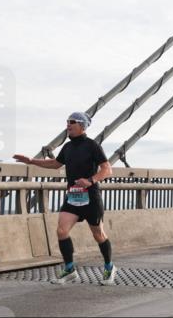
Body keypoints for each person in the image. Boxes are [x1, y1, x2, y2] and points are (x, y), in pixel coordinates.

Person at [14, 112, 116, 286]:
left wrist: (90, 180)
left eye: (72, 122)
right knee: (62, 231)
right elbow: (56, 164)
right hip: (73, 197)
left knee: (98, 234)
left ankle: (109, 267)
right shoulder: (68, 147)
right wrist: (32, 161)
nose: (68, 125)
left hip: (90, 197)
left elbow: (107, 169)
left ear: (82, 126)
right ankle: (70, 270)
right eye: (67, 121)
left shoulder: (92, 146)